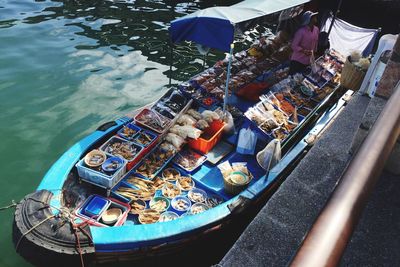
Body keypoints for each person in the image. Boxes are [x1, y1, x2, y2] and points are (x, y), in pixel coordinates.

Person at [289, 11, 319, 75]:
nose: (315, 17)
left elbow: (315, 42)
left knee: (300, 79)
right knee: (292, 77)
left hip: (308, 60)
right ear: (309, 20)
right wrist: (303, 51)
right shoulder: (301, 32)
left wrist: (315, 53)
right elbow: (294, 45)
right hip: (297, 60)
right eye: (313, 17)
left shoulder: (316, 29)